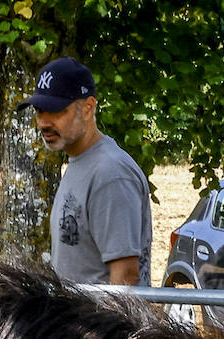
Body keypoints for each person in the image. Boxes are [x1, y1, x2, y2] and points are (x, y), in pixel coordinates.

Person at [17, 56, 151, 286]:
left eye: (56, 110)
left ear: (88, 108)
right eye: (40, 111)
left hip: (101, 322)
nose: (44, 122)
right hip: (74, 321)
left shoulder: (110, 173)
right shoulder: (81, 162)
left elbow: (125, 279)